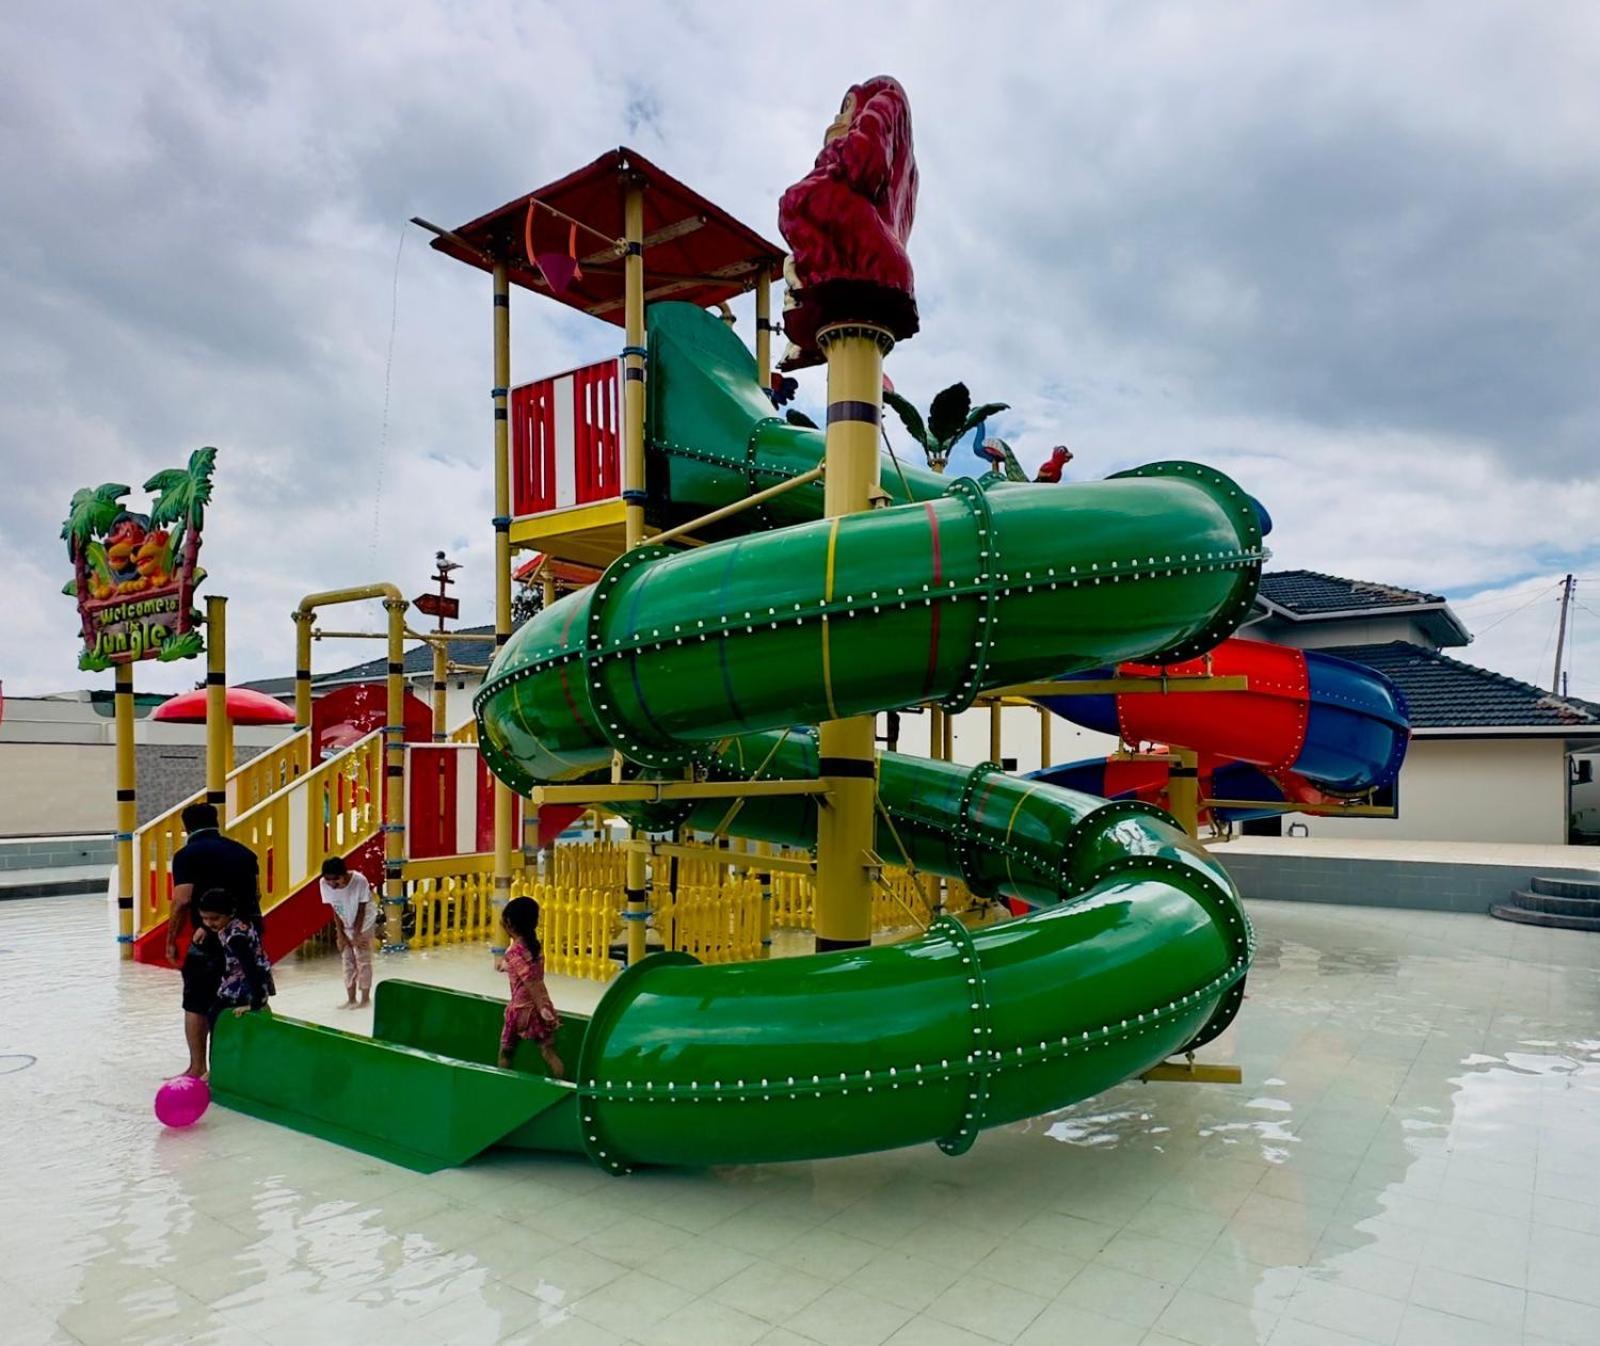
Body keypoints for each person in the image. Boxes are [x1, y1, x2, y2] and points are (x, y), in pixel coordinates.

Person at [167, 802, 262, 1077]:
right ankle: (237, 1067)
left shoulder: (187, 855)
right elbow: (256, 898)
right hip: (247, 937)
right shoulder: (245, 853)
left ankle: (198, 1068)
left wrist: (172, 940)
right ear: (217, 822)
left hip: (209, 944)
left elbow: (182, 900)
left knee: (197, 1003)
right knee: (244, 998)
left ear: (186, 828)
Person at [494, 896, 563, 1077]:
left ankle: (504, 1085)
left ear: (509, 924)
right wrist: (545, 1007)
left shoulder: (513, 952)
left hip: (520, 1011)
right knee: (549, 1053)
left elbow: (529, 981)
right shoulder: (536, 948)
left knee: (506, 1052)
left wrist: (541, 1007)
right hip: (538, 1009)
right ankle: (563, 1086)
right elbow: (533, 977)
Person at [196, 888, 275, 1022]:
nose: (209, 923)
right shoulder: (238, 924)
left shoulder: (235, 937)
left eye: (215, 918)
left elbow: (249, 964)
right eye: (204, 918)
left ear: (230, 914)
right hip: (251, 979)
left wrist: (256, 1000)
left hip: (246, 983)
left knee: (215, 1015)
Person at [319, 856, 377, 1008]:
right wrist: (341, 935)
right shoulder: (324, 884)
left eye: (336, 879)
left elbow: (362, 910)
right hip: (346, 920)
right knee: (347, 958)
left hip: (365, 921)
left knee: (362, 958)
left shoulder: (359, 881)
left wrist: (357, 935)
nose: (332, 883)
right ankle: (351, 999)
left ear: (344, 874)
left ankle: (365, 999)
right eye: (328, 879)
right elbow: (335, 909)